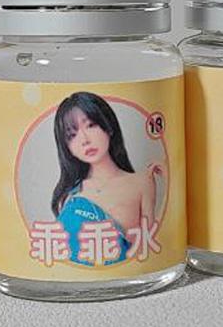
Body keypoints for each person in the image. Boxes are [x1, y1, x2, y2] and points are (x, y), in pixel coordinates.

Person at [51, 92, 160, 265]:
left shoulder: (141, 183)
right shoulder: (70, 196)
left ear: (108, 126)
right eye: (72, 135)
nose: (84, 140)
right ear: (67, 148)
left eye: (91, 125)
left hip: (126, 276)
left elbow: (149, 249)